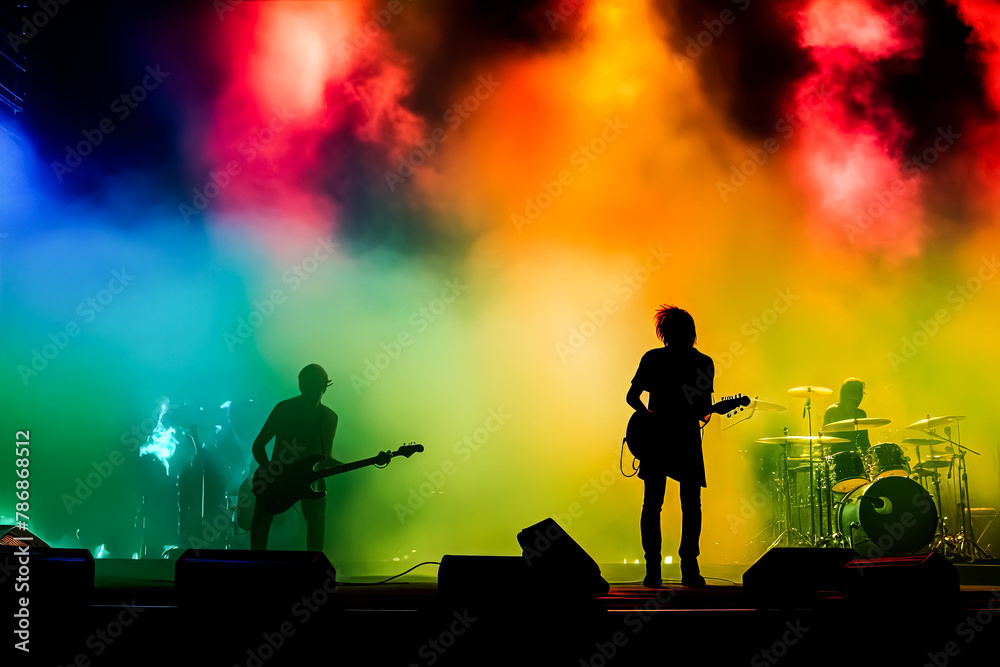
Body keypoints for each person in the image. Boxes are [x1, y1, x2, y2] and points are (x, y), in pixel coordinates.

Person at [626, 305, 714, 588]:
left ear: (664, 333)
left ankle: (653, 571)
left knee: (652, 505)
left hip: (656, 440)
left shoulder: (653, 358)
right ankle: (689, 568)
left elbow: (632, 397)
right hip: (685, 440)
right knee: (691, 505)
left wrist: (648, 418)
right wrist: (709, 411)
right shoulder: (703, 362)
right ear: (692, 333)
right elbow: (703, 411)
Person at [250, 364, 341, 551]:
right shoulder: (284, 409)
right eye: (304, 382)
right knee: (262, 517)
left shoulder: (330, 417)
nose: (307, 387)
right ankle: (255, 567)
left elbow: (325, 459)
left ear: (324, 386)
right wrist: (269, 471)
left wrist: (361, 467)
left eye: (313, 382)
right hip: (278, 475)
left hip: (310, 479)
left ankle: (315, 568)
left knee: (317, 514)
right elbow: (258, 446)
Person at [822, 378, 871, 455]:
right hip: (836, 455)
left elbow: (864, 442)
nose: (860, 398)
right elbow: (826, 440)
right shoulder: (832, 412)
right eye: (858, 393)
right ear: (848, 394)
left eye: (861, 394)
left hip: (856, 456)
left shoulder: (861, 414)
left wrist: (869, 456)